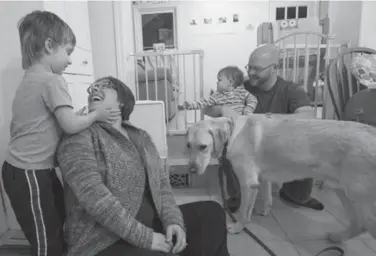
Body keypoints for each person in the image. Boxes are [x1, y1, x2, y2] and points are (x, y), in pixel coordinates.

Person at [56, 76, 230, 256]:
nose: (94, 89)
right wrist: (146, 238)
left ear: (122, 102)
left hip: (150, 224)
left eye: (105, 86)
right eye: (93, 87)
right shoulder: (79, 137)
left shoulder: (141, 137)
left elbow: (162, 185)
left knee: (212, 213)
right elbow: (93, 196)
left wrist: (173, 221)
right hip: (103, 239)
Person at [1, 11, 120, 256]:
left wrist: (78, 115)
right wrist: (95, 116)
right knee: (48, 241)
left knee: (54, 222)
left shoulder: (30, 80)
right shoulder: (53, 81)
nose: (70, 61)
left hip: (25, 170)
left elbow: (44, 122)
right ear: (48, 46)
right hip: (30, 172)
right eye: (68, 52)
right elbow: (69, 125)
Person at [204, 44, 324, 212]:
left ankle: (297, 196)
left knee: (308, 143)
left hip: (280, 144)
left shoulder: (291, 90)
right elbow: (207, 108)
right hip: (248, 147)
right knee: (229, 149)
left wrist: (267, 119)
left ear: (275, 68)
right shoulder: (241, 87)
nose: (251, 72)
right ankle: (237, 196)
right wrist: (221, 109)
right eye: (249, 67)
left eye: (257, 69)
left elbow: (308, 118)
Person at [179, 66, 257, 116]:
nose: (217, 82)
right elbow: (204, 102)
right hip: (225, 124)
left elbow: (253, 100)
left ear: (230, 82)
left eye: (219, 80)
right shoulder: (217, 95)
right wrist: (190, 105)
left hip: (241, 121)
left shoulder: (241, 92)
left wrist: (248, 111)